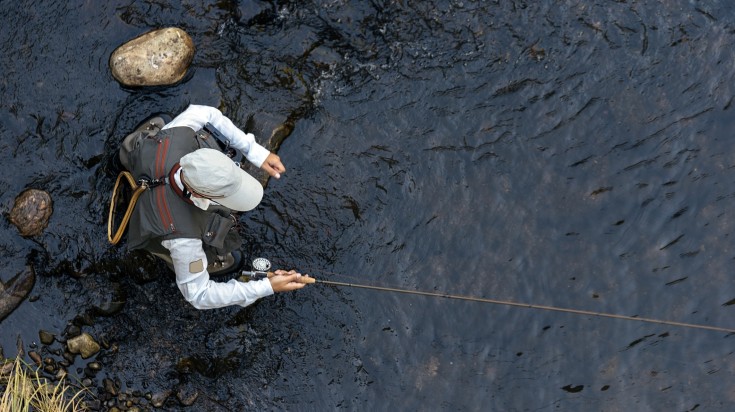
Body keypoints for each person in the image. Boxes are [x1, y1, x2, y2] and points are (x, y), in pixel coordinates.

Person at [118, 104, 310, 309]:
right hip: (162, 227)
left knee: (164, 121)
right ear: (200, 194)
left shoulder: (177, 135)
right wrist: (266, 287)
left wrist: (255, 152)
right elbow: (198, 295)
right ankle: (168, 257)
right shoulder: (183, 240)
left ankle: (127, 151)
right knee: (229, 259)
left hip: (149, 161)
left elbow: (207, 113)